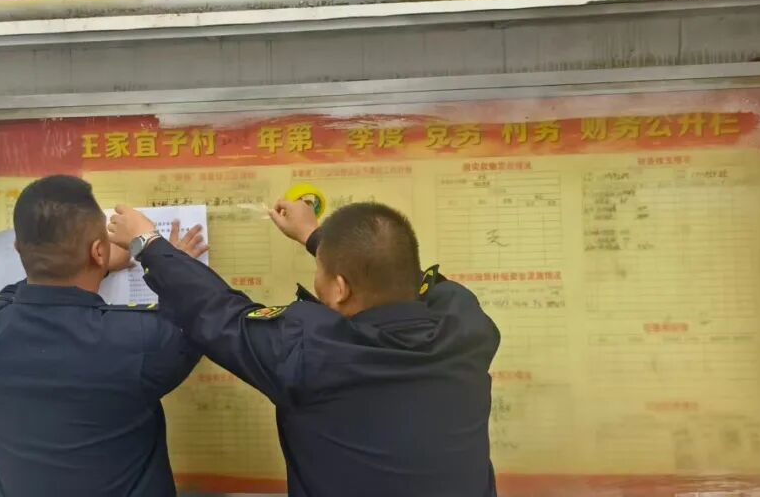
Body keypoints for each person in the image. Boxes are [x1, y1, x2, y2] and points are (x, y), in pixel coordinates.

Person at [108, 199, 500, 497]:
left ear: (340, 288)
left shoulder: (311, 353)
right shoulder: (466, 329)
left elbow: (219, 312)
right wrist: (317, 239)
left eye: (322, 273)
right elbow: (401, 275)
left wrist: (147, 242)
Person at [0, 175, 209, 497]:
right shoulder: (139, 341)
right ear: (99, 250)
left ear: (18, 249)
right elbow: (197, 318)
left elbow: (10, 296)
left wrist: (94, 265)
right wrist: (166, 261)